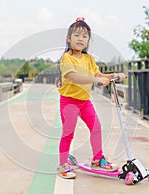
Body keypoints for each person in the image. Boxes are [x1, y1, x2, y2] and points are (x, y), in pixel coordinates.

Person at [57, 17, 126, 179]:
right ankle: (62, 164)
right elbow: (75, 77)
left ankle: (97, 159)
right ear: (69, 38)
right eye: (77, 35)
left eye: (85, 36)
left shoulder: (88, 59)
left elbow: (99, 75)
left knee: (96, 127)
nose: (81, 39)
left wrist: (114, 75)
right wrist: (96, 80)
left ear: (88, 40)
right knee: (68, 133)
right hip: (69, 101)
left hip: (84, 101)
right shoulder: (67, 58)